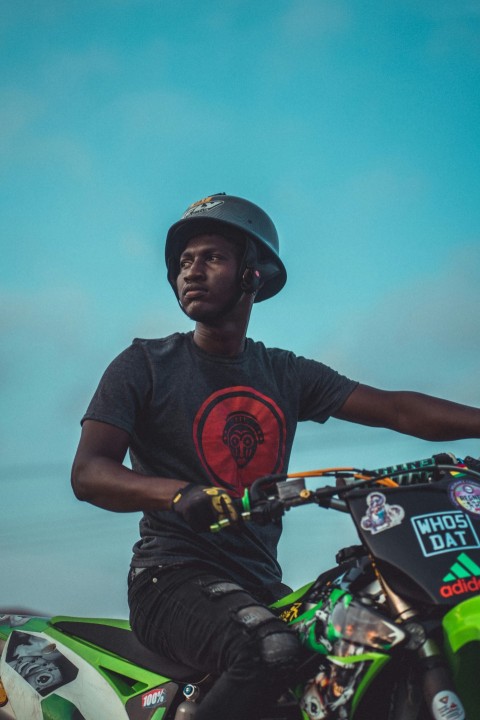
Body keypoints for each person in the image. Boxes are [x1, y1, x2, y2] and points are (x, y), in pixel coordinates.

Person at [71, 193, 480, 720]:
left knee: (347, 659)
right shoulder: (144, 364)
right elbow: (89, 474)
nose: (190, 271)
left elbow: (398, 410)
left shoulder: (284, 373)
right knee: (269, 650)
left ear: (252, 276)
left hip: (261, 587)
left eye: (211, 258)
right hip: (170, 577)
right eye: (183, 262)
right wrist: (178, 494)